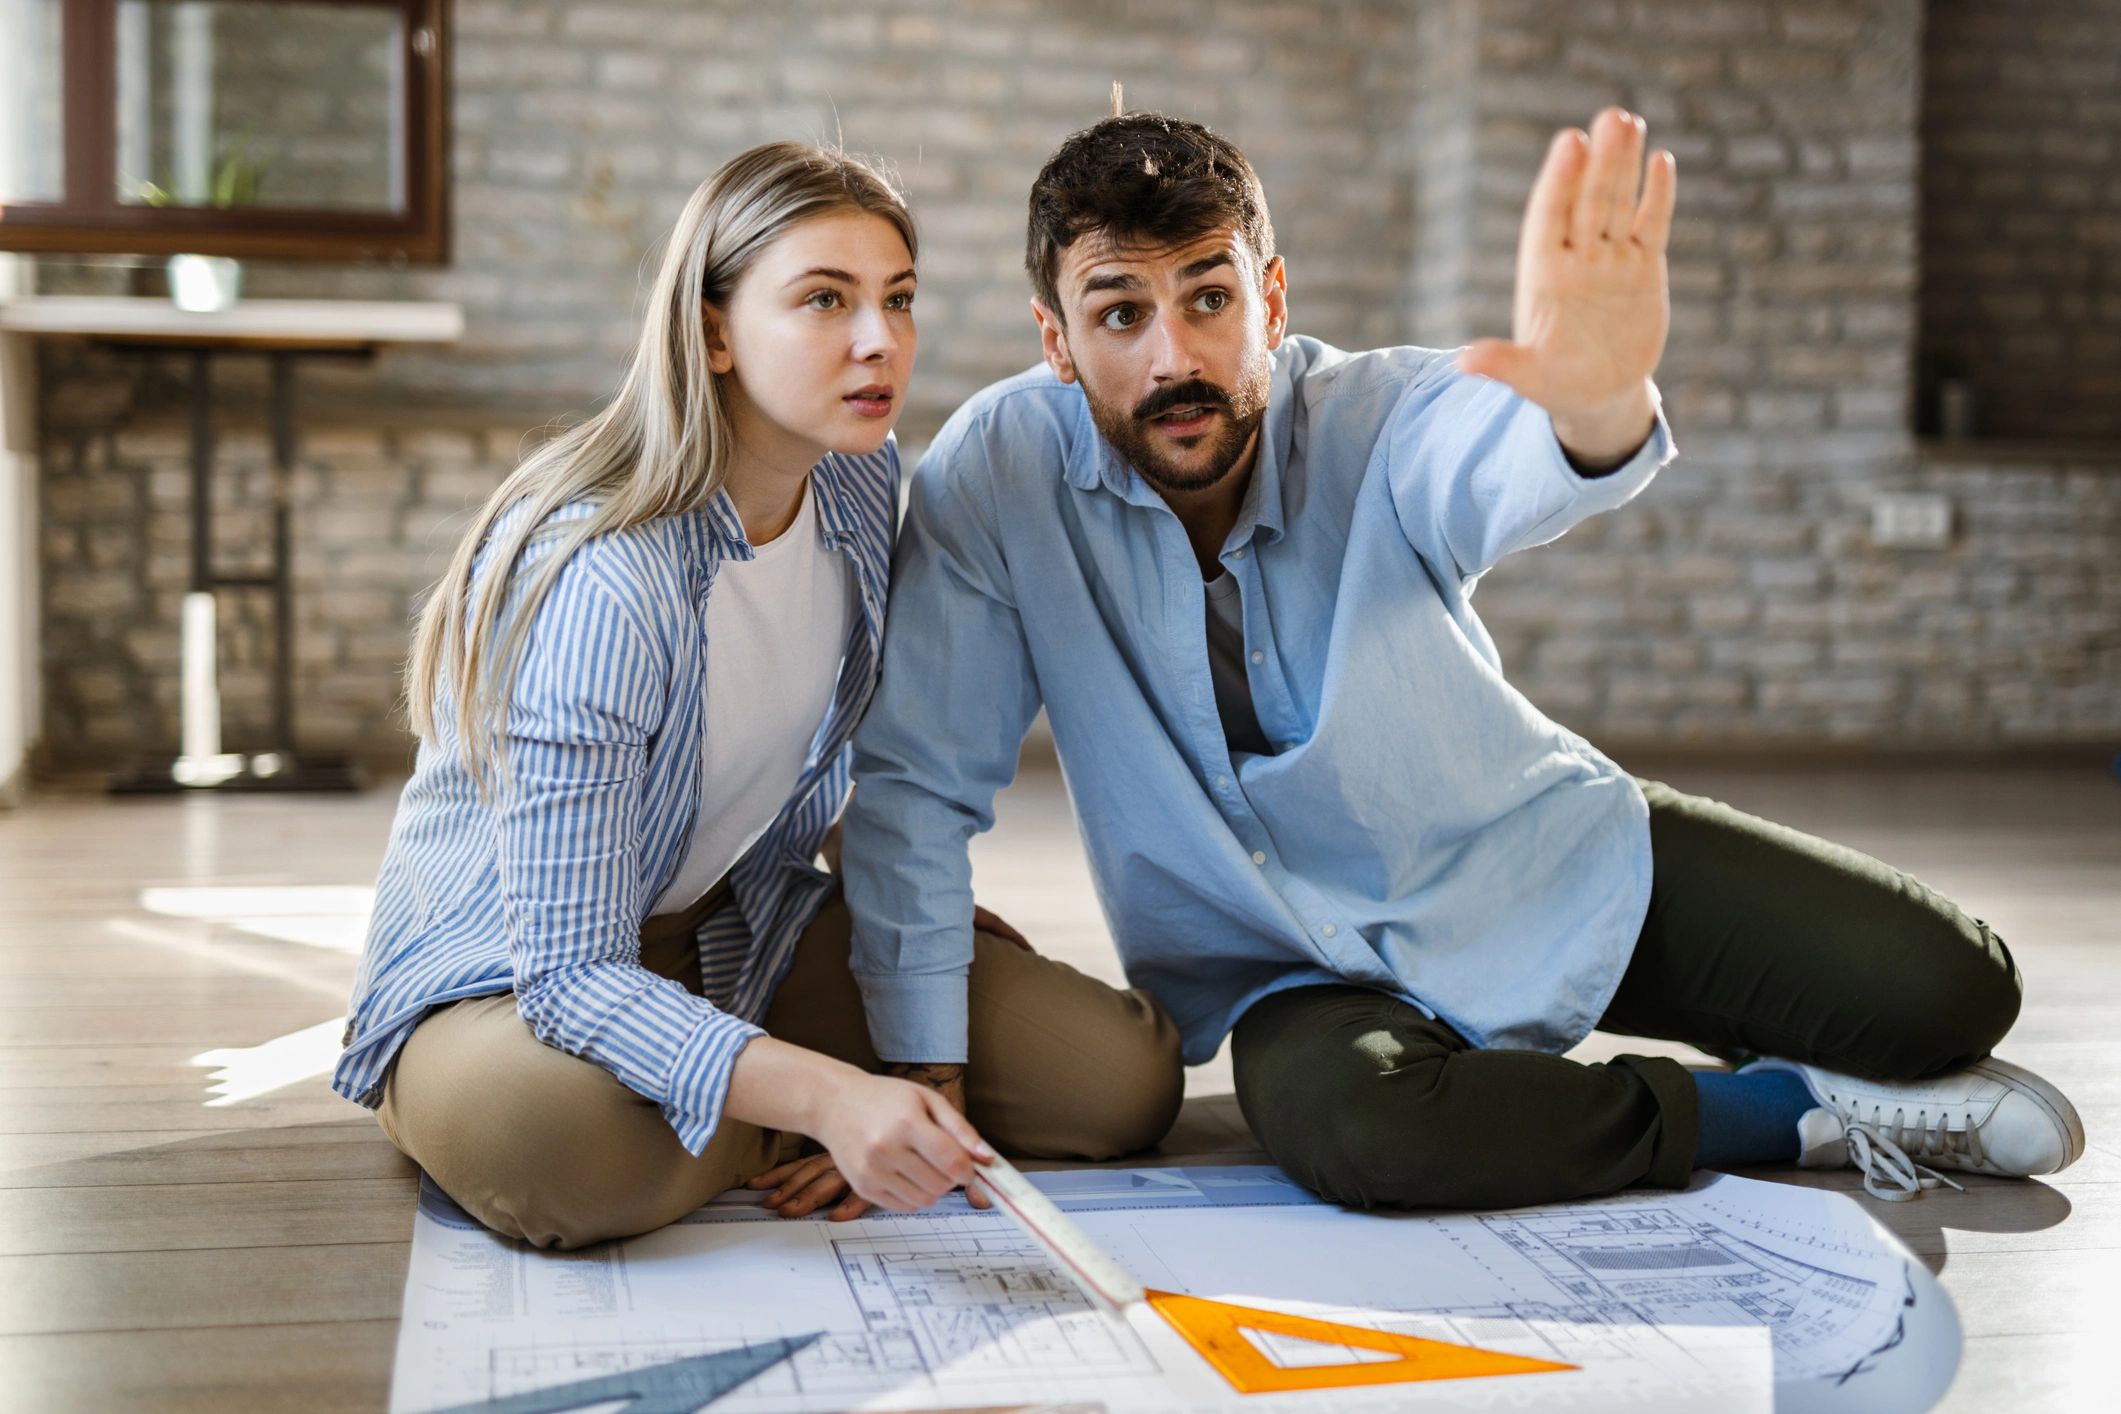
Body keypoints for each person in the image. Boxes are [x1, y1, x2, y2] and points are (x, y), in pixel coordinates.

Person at [839, 109, 2085, 1212]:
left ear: (1272, 301)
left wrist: (1594, 398)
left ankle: (1643, 1076)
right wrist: (922, 1056)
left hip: (1532, 861)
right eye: (1120, 314)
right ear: (1057, 343)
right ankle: (1785, 1111)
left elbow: (1503, 457)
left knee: (1950, 993)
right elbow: (916, 785)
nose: (1174, 357)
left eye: (1208, 299)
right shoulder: (998, 472)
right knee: (1366, 1131)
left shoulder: (1382, 414)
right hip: (1294, 967)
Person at [332, 142, 1182, 1251]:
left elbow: (780, 738)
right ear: (715, 330)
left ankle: (754, 1096)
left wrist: (886, 901)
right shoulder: (611, 582)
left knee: (1121, 1080)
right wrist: (831, 1100)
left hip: (740, 927)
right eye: (824, 300)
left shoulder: (862, 474)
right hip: (515, 977)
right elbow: (575, 975)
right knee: (567, 1158)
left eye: (898, 300)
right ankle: (795, 1111)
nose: (880, 341)